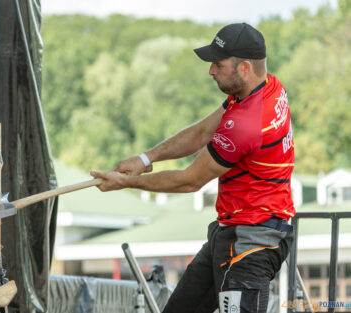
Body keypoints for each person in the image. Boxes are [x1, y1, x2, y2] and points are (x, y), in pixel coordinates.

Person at [91, 23, 295, 313]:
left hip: (252, 242)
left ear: (245, 67)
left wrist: (126, 183)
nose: (211, 70)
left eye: (218, 64)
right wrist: (144, 159)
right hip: (231, 232)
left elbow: (190, 181)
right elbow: (202, 133)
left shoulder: (247, 124)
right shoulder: (265, 89)